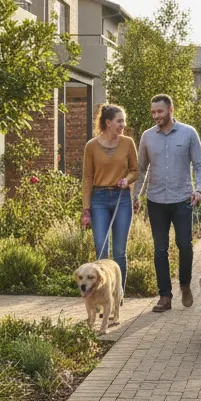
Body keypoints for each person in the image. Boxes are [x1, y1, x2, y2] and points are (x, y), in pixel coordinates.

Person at [134, 94, 201, 312]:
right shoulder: (147, 137)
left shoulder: (188, 133)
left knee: (184, 244)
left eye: (160, 111)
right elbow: (140, 169)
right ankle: (165, 296)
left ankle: (185, 284)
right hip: (155, 200)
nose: (156, 115)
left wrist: (199, 190)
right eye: (153, 112)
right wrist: (135, 195)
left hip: (183, 199)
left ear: (170, 110)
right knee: (160, 249)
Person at [80, 104, 139, 293]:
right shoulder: (91, 146)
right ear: (108, 122)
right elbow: (87, 178)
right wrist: (86, 208)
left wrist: (126, 180)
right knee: (102, 250)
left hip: (122, 198)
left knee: (120, 252)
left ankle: (118, 294)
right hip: (100, 199)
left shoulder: (128, 143)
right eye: (119, 121)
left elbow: (135, 171)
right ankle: (101, 294)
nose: (123, 124)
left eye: (123, 120)